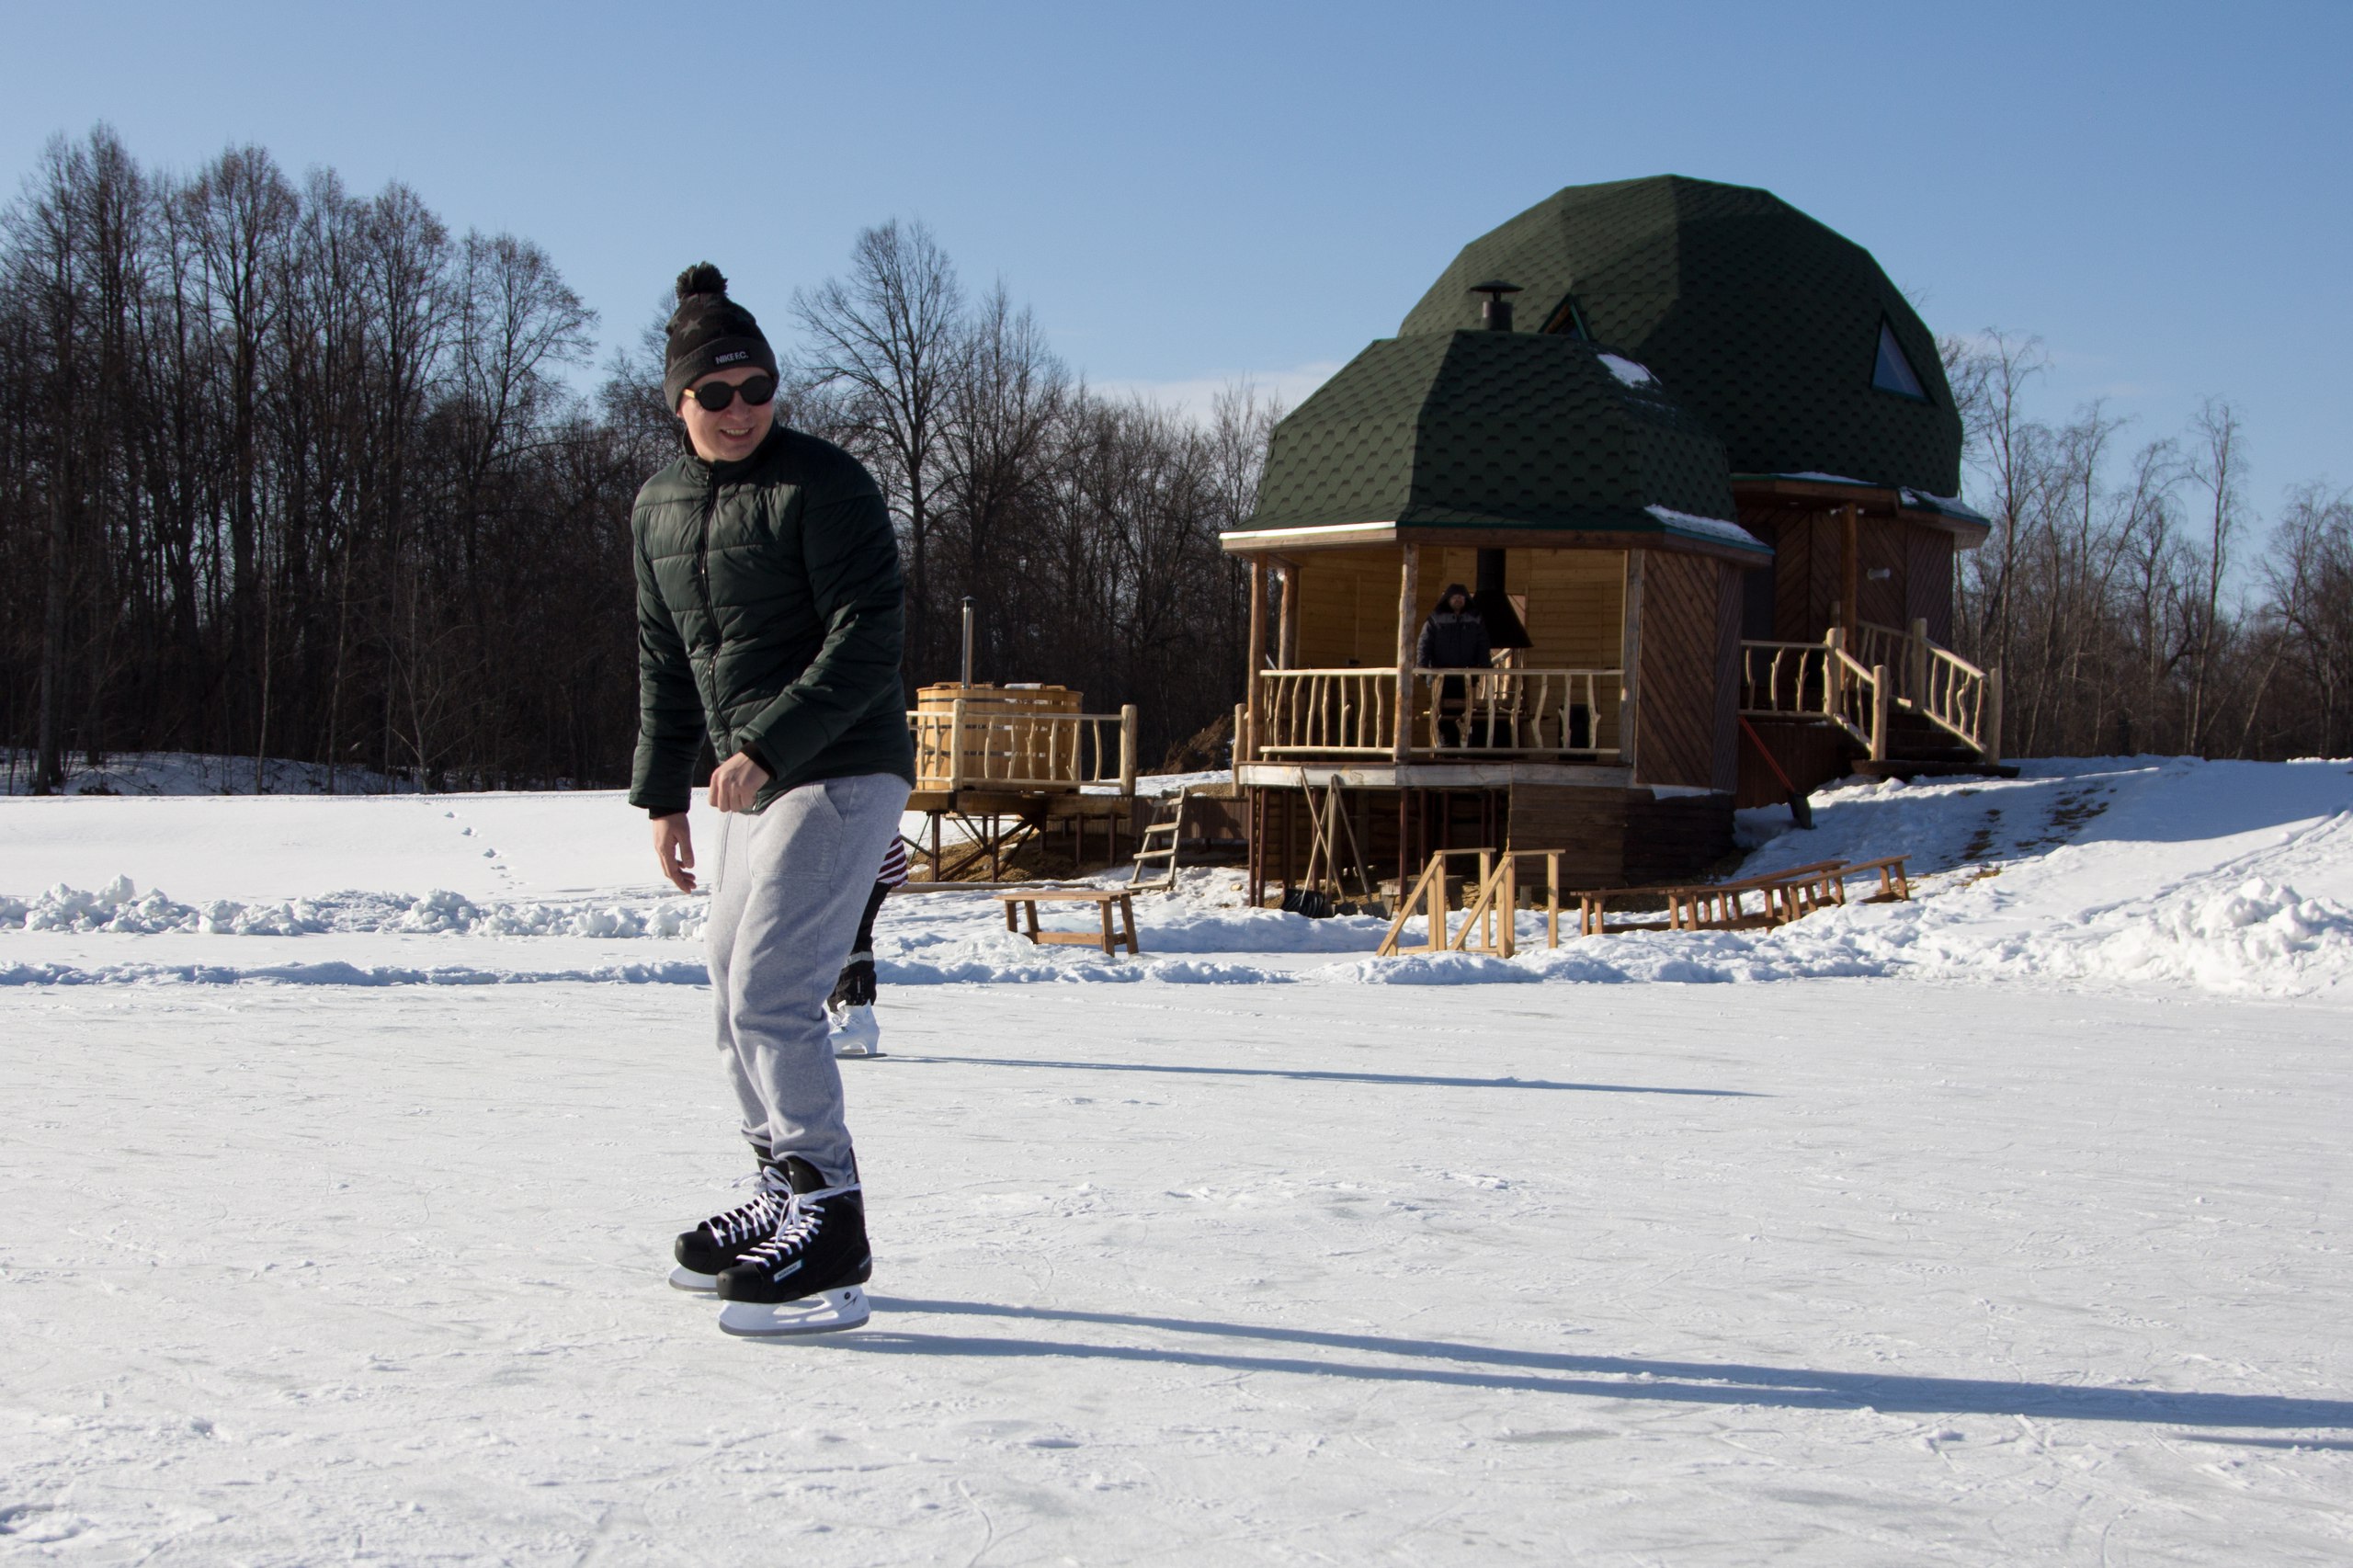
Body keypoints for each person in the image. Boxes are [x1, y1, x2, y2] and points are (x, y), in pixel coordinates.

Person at [630, 264, 915, 1337]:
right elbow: (663, 656)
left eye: (758, 387)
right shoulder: (657, 506)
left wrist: (764, 744)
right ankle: (780, 1190)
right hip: (750, 778)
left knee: (772, 989)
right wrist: (662, 794)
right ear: (679, 402)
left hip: (840, 761)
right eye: (716, 393)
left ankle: (830, 1217)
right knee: (726, 987)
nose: (741, 408)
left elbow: (869, 634)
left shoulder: (824, 484)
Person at [825, 837, 908, 1058]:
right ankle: (843, 1015)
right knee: (831, 935)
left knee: (849, 933)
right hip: (850, 863)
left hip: (870, 862)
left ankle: (858, 1016)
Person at [1415, 584, 1493, 746]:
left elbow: (1483, 643)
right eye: (1454, 597)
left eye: (1461, 597)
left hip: (1464, 677)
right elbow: (1424, 643)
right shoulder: (1435, 618)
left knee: (1463, 713)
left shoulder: (1475, 618)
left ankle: (1460, 748)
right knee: (1441, 713)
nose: (1458, 600)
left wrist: (1485, 664)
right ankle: (1445, 748)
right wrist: (1422, 666)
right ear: (1447, 599)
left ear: (1466, 600)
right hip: (1440, 676)